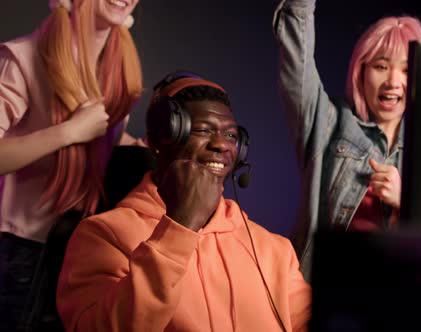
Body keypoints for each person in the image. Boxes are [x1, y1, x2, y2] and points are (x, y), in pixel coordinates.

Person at [56, 72, 312, 332]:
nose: (221, 145)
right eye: (203, 130)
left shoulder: (274, 251)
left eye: (231, 136)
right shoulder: (102, 235)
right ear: (160, 138)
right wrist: (180, 226)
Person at [0, 0, 143, 330]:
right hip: (21, 254)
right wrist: (68, 132)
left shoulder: (116, 64)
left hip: (81, 246)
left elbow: (104, 135)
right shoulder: (21, 58)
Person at [273, 0, 421, 279]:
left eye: (407, 69)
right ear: (361, 71)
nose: (394, 81)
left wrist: (404, 202)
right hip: (322, 296)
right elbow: (297, 61)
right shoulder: (328, 121)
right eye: (381, 66)